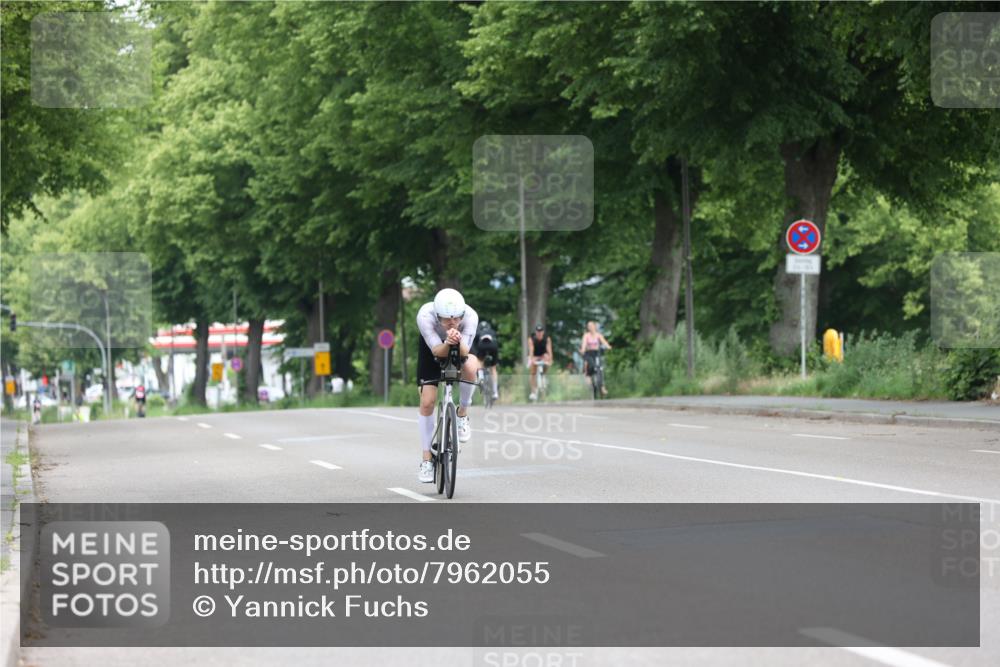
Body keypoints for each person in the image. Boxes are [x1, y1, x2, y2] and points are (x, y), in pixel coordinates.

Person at [415, 288, 480, 483]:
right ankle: (427, 459)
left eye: (456, 319)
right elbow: (436, 350)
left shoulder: (470, 317)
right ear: (437, 316)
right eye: (446, 320)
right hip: (433, 348)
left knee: (470, 366)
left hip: (460, 345)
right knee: (427, 402)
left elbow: (465, 351)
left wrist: (456, 341)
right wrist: (447, 341)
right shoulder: (425, 316)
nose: (452, 323)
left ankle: (462, 414)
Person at [580, 321, 612, 395]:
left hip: (596, 354)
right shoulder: (586, 335)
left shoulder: (598, 335)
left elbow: (604, 342)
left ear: (595, 326)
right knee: (591, 367)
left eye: (591, 326)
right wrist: (583, 349)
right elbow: (584, 344)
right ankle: (590, 383)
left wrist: (608, 346)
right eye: (588, 326)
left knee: (599, 368)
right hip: (588, 354)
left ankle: (602, 387)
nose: (590, 327)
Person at [471, 320, 500, 400]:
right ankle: (495, 392)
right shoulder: (492, 331)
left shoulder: (478, 332)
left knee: (479, 362)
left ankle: (480, 375)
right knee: (493, 368)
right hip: (493, 347)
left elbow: (474, 345)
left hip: (481, 346)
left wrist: (476, 354)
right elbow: (496, 342)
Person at [527, 324, 552, 401]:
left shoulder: (547, 339)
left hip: (543, 356)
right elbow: (531, 350)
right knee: (533, 372)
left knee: (547, 363)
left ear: (543, 332)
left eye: (540, 332)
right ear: (536, 332)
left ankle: (544, 376)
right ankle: (533, 391)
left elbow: (549, 350)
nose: (539, 333)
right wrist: (532, 359)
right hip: (535, 356)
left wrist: (550, 359)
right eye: (538, 332)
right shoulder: (531, 339)